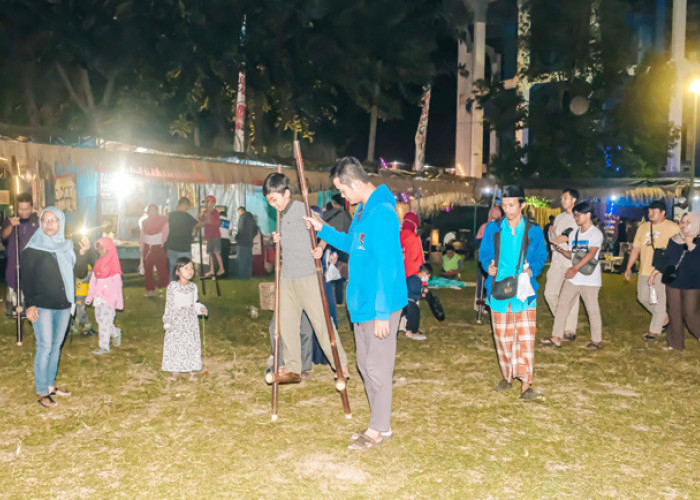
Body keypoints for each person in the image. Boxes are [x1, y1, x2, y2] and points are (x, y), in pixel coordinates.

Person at [305, 156, 408, 450]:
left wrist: (381, 313)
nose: (343, 197)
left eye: (343, 190)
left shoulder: (383, 212)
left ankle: (379, 428)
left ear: (354, 182)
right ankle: (379, 422)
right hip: (362, 302)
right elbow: (353, 243)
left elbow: (388, 265)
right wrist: (322, 228)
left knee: (377, 367)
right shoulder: (364, 210)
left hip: (380, 304)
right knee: (365, 364)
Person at [262, 173, 349, 385]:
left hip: (308, 276)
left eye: (275, 199)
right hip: (286, 278)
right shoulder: (280, 215)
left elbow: (326, 233)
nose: (273, 205)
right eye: (269, 201)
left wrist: (320, 248)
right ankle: (293, 368)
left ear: (287, 193)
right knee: (287, 324)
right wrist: (278, 242)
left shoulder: (303, 211)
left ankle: (341, 366)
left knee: (322, 323)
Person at [478, 185, 548, 402]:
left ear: (522, 205)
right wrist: (487, 266)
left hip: (523, 293)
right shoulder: (493, 229)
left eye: (512, 205)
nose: (507, 210)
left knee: (525, 339)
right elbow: (484, 254)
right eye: (504, 205)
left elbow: (541, 256)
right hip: (498, 291)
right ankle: (507, 376)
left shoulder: (533, 230)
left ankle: (526, 384)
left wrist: (532, 269)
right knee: (503, 337)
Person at [20, 207, 91, 408]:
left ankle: (50, 386)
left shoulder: (67, 246)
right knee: (45, 346)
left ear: (61, 223)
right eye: (46, 220)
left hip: (63, 304)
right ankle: (42, 391)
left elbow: (78, 271)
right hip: (42, 305)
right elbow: (27, 279)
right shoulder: (33, 249)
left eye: (54, 220)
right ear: (41, 223)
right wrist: (30, 304)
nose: (50, 224)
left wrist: (83, 254)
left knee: (56, 347)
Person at [542, 201, 604, 350]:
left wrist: (575, 268)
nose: (576, 218)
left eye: (578, 215)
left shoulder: (595, 233)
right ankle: (556, 337)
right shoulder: (575, 233)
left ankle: (596, 340)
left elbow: (591, 254)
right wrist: (562, 251)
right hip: (574, 278)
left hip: (589, 279)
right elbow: (574, 254)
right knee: (563, 306)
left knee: (592, 310)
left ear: (588, 215)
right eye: (575, 215)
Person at [624, 200, 678, 341]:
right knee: (642, 297)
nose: (651, 214)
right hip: (644, 269)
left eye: (654, 212)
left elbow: (680, 248)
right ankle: (664, 318)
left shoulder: (673, 228)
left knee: (659, 301)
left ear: (663, 213)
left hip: (662, 271)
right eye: (649, 212)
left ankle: (654, 331)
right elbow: (636, 248)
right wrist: (629, 267)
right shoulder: (643, 227)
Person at [649, 212, 700, 351]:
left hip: (692, 283)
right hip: (674, 280)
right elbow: (667, 259)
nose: (684, 225)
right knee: (674, 312)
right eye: (682, 222)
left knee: (690, 312)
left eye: (688, 222)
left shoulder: (698, 241)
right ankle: (675, 344)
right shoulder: (674, 240)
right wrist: (654, 272)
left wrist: (692, 246)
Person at [162, 257, 208, 381]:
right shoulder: (173, 286)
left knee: (190, 344)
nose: (190, 271)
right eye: (186, 268)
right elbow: (169, 305)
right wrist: (167, 321)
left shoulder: (193, 287)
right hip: (177, 321)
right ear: (177, 271)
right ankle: (175, 371)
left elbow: (194, 303)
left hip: (190, 322)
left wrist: (201, 309)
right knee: (176, 344)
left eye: (192, 268)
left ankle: (192, 371)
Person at [544, 189, 580, 341]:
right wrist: (551, 233)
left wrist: (567, 238)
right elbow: (554, 239)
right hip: (557, 259)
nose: (562, 200)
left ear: (574, 201)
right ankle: (562, 321)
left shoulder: (580, 218)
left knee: (571, 295)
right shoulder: (559, 217)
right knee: (549, 293)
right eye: (562, 197)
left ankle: (569, 329)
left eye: (566, 197)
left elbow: (581, 236)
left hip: (571, 261)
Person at [1, 192, 39, 317]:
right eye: (21, 209)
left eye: (27, 209)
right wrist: (11, 225)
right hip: (14, 267)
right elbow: (3, 236)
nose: (24, 212)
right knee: (16, 305)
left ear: (32, 207)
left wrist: (44, 216)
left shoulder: (37, 220)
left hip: (33, 268)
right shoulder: (11, 220)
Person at [86, 237, 124, 355]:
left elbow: (118, 286)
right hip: (98, 297)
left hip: (109, 299)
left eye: (102, 248)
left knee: (104, 322)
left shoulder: (114, 266)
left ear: (109, 249)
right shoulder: (98, 263)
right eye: (98, 248)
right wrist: (90, 297)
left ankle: (104, 346)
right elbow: (93, 281)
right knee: (101, 320)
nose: (99, 251)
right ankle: (115, 332)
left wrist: (118, 302)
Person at [475, 206, 504, 312]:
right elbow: (478, 242)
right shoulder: (486, 226)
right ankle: (481, 305)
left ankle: (488, 305)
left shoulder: (501, 226)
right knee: (483, 282)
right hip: (487, 260)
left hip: (497, 263)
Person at [140, 204, 169, 296]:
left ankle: (166, 289)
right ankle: (150, 290)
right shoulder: (144, 222)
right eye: (150, 210)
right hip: (147, 247)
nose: (152, 212)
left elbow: (166, 233)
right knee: (148, 270)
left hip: (159, 248)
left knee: (162, 270)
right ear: (148, 212)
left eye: (154, 210)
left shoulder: (163, 220)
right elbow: (142, 236)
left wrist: (164, 246)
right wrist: (142, 249)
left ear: (157, 211)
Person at [164, 197, 198, 276]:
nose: (187, 209)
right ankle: (183, 287)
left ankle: (173, 286)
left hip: (171, 246)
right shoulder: (187, 216)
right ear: (185, 205)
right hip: (184, 248)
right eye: (187, 206)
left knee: (172, 269)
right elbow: (195, 228)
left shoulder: (170, 215)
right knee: (186, 270)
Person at [403, 263, 432, 341]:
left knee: (413, 313)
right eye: (427, 277)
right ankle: (411, 331)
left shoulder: (416, 280)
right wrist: (422, 290)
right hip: (407, 301)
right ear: (424, 273)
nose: (427, 279)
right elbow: (414, 288)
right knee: (414, 312)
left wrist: (421, 294)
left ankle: (411, 330)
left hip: (407, 301)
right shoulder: (414, 279)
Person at [199, 196, 224, 278]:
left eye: (208, 202)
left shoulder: (215, 212)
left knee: (217, 253)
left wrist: (209, 220)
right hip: (209, 236)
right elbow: (202, 222)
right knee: (210, 253)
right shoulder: (205, 212)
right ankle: (212, 270)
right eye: (206, 202)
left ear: (212, 203)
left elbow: (219, 223)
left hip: (215, 235)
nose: (206, 204)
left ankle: (221, 268)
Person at [235, 206, 258, 279]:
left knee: (241, 260)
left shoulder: (242, 217)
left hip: (242, 242)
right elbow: (256, 229)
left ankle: (241, 276)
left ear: (241, 211)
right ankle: (248, 276)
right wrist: (251, 236)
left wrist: (237, 238)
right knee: (248, 261)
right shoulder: (252, 218)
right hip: (249, 242)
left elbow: (240, 229)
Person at [400, 212, 423, 278]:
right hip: (412, 277)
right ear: (413, 224)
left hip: (397, 276)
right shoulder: (415, 238)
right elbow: (419, 260)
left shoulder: (396, 236)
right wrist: (423, 282)